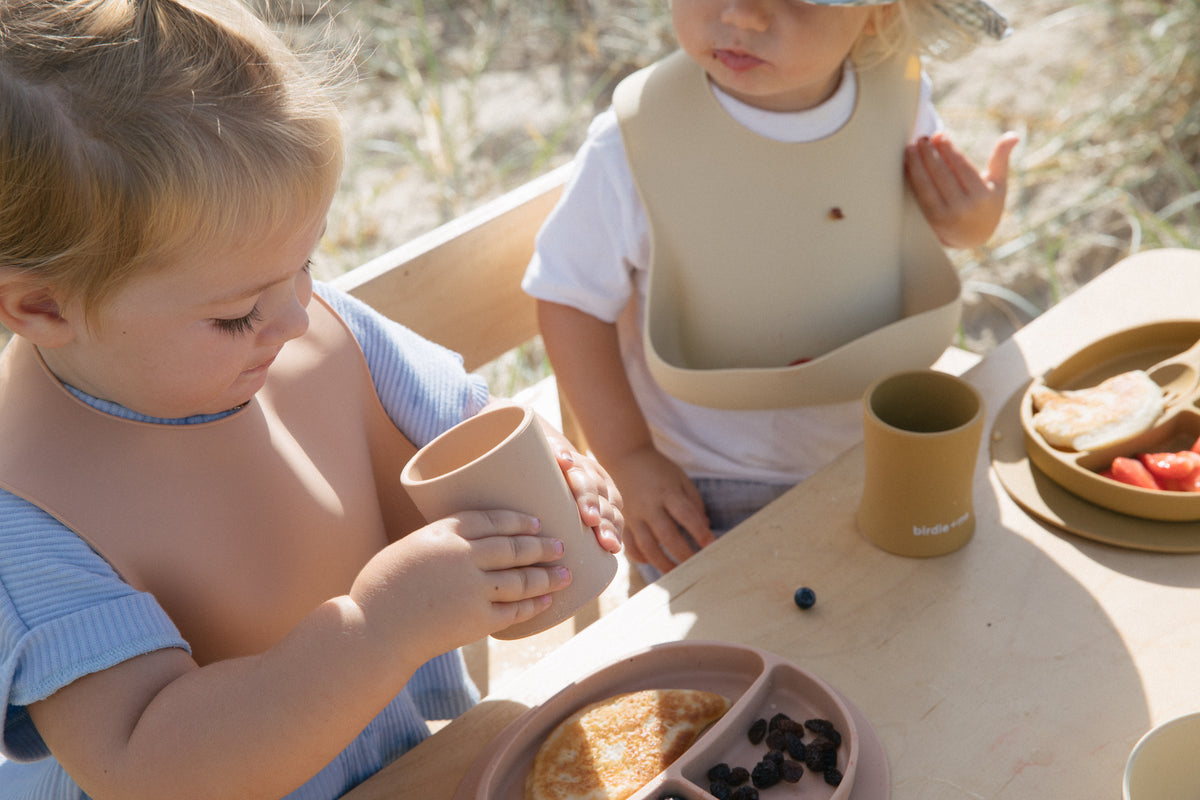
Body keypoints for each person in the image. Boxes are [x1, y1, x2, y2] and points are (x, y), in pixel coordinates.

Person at [0, 1, 623, 798]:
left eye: (306, 265)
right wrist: (378, 629)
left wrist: (550, 490)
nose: (297, 318)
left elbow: (469, 442)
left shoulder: (309, 328)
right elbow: (146, 767)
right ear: (43, 308)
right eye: (237, 315)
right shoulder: (28, 513)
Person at [523, 0, 1019, 579]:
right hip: (704, 480)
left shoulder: (897, 95)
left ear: (881, 14)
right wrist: (629, 458)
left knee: (933, 613)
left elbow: (910, 222)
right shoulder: (638, 140)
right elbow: (569, 300)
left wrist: (968, 222)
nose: (743, 15)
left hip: (880, 441)